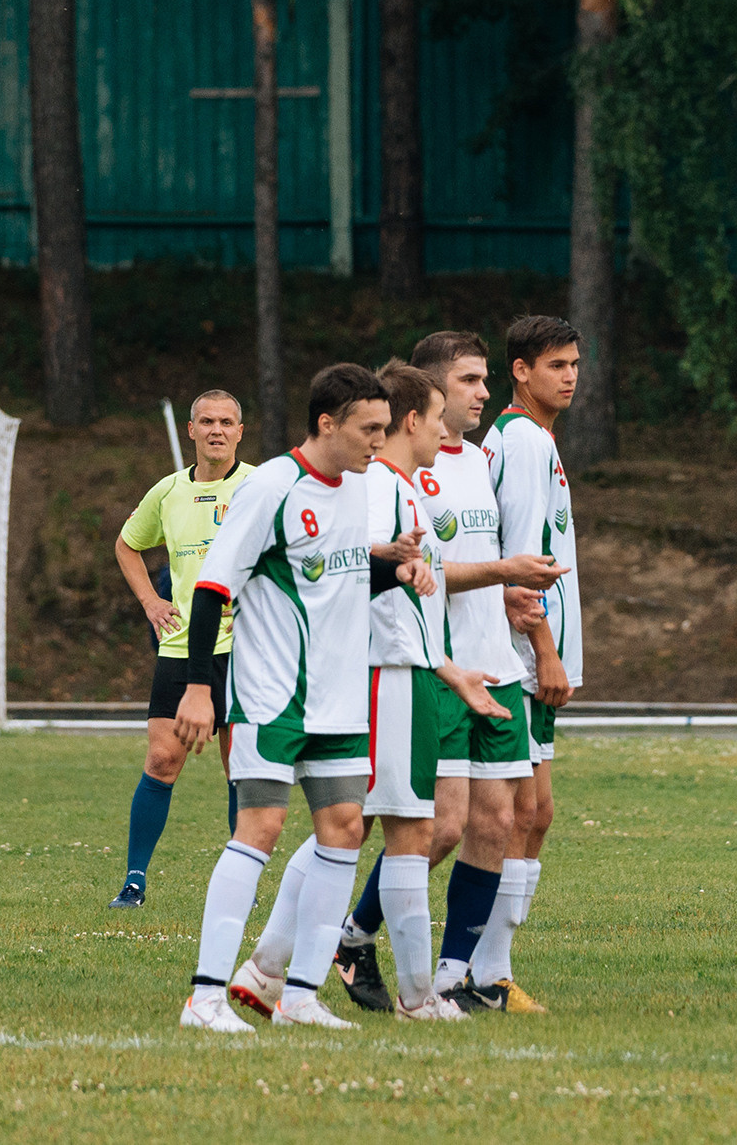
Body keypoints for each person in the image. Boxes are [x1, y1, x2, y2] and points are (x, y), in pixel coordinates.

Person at [177, 364, 426, 1033]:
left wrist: (395, 567)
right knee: (257, 829)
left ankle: (299, 996)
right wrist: (200, 686)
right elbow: (212, 587)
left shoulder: (355, 487)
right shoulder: (272, 486)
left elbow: (334, 577)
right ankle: (203, 999)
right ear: (327, 423)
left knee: (343, 829)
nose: (381, 440)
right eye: (369, 428)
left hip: (338, 699)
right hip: (273, 697)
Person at [332, 334, 560, 1014]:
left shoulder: (480, 463)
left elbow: (475, 557)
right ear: (425, 400)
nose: (481, 393)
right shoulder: (402, 474)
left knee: (501, 821)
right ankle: (350, 936)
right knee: (437, 827)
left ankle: (457, 974)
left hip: (496, 662)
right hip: (439, 667)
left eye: (484, 379)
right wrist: (501, 573)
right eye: (467, 381)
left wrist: (514, 598)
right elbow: (427, 571)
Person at [468, 315, 586, 1012]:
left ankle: (489, 964)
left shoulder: (531, 439)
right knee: (516, 811)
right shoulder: (521, 441)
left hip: (532, 655)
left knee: (532, 812)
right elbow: (519, 569)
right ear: (521, 370)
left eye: (574, 363)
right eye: (555, 364)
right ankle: (485, 968)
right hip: (518, 657)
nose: (569, 375)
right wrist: (545, 651)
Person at [108, 390, 254, 908]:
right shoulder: (167, 491)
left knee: (242, 767)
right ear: (190, 430)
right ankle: (133, 881)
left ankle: (244, 883)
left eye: (227, 422)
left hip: (246, 649)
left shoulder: (259, 487)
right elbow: (128, 544)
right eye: (207, 421)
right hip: (181, 648)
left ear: (241, 431)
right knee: (162, 759)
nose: (217, 429)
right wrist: (150, 599)